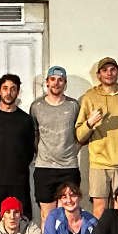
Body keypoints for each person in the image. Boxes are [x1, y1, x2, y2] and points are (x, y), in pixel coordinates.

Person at [75, 57, 118, 219]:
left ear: (117, 73)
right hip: (99, 162)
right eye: (104, 70)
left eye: (112, 70)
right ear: (98, 75)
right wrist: (90, 123)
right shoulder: (89, 97)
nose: (109, 74)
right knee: (99, 210)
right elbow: (79, 134)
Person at [0, 74, 36, 226]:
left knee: (23, 220)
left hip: (19, 180)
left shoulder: (25, 120)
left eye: (13, 89)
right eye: (5, 88)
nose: (8, 92)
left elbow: (29, 148)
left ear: (18, 92)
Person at [30, 66, 82, 223]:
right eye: (52, 79)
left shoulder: (73, 105)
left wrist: (71, 150)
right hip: (44, 168)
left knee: (68, 214)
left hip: (69, 168)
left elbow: (80, 133)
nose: (56, 83)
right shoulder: (36, 106)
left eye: (60, 80)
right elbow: (34, 135)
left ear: (65, 83)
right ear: (47, 82)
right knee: (47, 216)